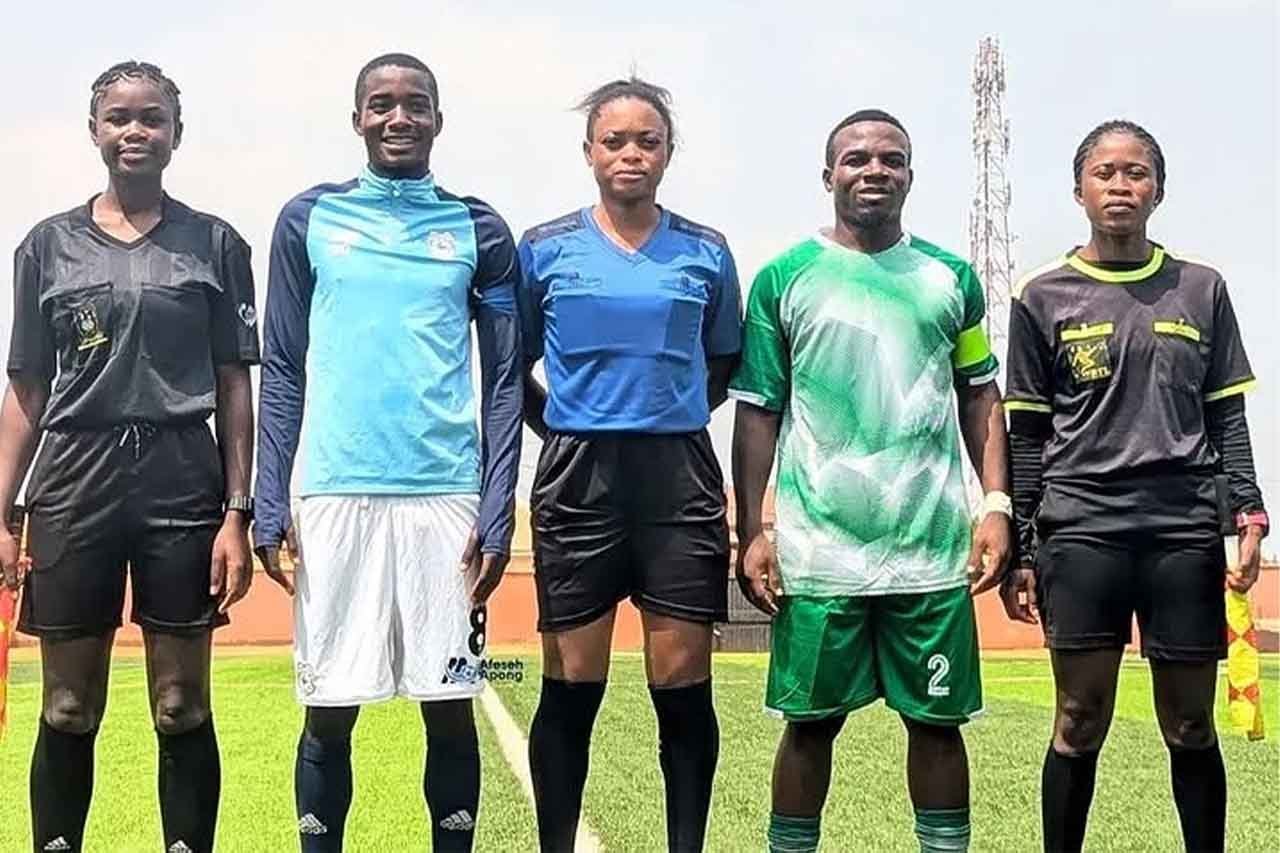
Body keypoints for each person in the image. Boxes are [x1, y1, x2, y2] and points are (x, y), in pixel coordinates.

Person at [252, 52, 522, 853]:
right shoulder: (308, 219)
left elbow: (505, 380)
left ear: (439, 119)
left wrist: (497, 507)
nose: (398, 117)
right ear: (357, 118)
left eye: (415, 104)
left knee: (451, 703)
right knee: (329, 709)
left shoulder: (478, 228)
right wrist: (271, 498)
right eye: (381, 104)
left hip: (446, 499)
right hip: (337, 493)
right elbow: (282, 367)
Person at [731, 109, 1012, 853]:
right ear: (828, 175)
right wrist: (752, 530)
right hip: (820, 553)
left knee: (938, 725)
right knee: (809, 725)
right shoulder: (784, 279)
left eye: (892, 158)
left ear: (911, 176)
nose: (874, 170)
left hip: (930, 551)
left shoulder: (951, 279)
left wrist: (995, 504)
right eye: (856, 158)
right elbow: (758, 411)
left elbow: (979, 394)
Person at [0, 61, 258, 853]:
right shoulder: (46, 246)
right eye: (119, 118)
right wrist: (3, 514)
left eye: (152, 118)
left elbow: (234, 385)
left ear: (177, 134)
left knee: (180, 704)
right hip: (74, 480)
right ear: (94, 131)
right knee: (68, 706)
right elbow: (27, 390)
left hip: (182, 479)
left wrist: (237, 513)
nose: (135, 131)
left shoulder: (216, 243)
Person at [1000, 119, 1267, 853]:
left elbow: (1227, 416)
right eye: (1105, 173)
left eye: (1137, 172)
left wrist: (1248, 513)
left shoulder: (1201, 288)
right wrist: (1023, 549)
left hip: (1184, 528)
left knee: (1190, 722)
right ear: (1079, 190)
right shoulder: (1040, 295)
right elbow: (1026, 434)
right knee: (1079, 719)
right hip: (1082, 529)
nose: (1121, 186)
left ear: (1158, 189)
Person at [516, 76, 742, 852]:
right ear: (588, 151)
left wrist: (663, 412)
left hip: (679, 481)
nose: (631, 153)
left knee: (681, 692)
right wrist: (569, 424)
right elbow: (511, 368)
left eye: (648, 140)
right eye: (614, 140)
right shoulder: (544, 248)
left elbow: (723, 362)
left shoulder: (706, 250)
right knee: (571, 689)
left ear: (669, 152)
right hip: (577, 479)